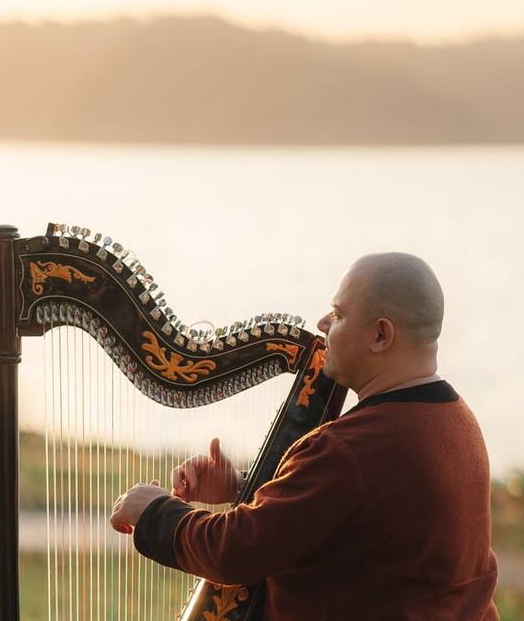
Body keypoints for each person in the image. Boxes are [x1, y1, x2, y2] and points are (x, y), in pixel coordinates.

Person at [110, 253, 499, 619]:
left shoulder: (350, 449)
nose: (323, 325)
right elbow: (353, 515)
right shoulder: (458, 420)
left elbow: (237, 553)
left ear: (381, 336)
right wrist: (244, 487)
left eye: (338, 314)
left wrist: (154, 512)